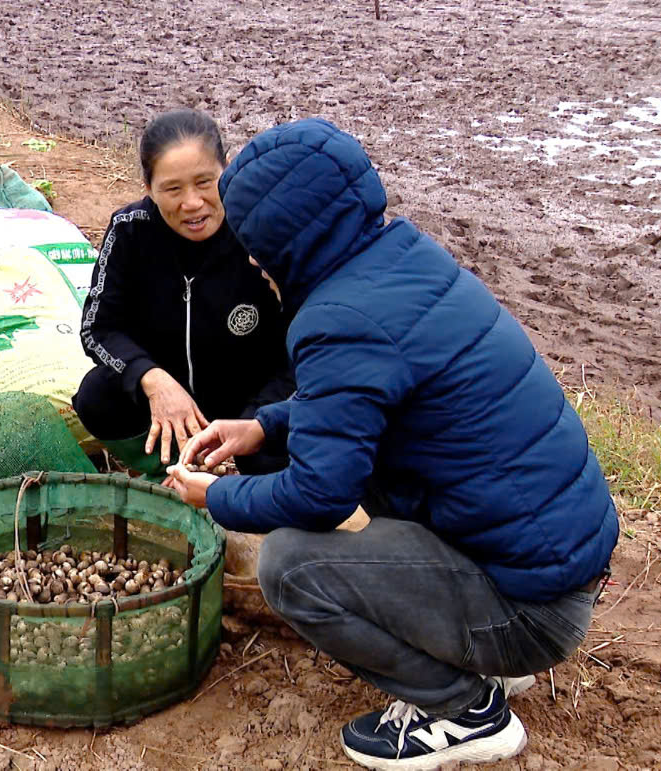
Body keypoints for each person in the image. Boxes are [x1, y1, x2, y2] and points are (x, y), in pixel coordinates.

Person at [168, 118, 617, 770]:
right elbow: (370, 395)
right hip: (559, 571)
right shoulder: (402, 256)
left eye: (256, 243)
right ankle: (478, 652)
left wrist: (220, 494)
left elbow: (320, 493)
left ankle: (465, 708)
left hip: (533, 612)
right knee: (363, 470)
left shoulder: (336, 319)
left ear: (287, 240)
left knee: (289, 563)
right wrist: (265, 425)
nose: (254, 261)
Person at [74, 109, 294, 478]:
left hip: (251, 395)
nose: (192, 203)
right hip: (171, 394)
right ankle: (168, 467)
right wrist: (153, 379)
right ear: (148, 188)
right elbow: (97, 329)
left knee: (267, 458)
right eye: (173, 189)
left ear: (226, 170)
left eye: (205, 182)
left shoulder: (260, 228)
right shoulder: (130, 231)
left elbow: (302, 343)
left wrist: (260, 417)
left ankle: (237, 468)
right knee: (97, 398)